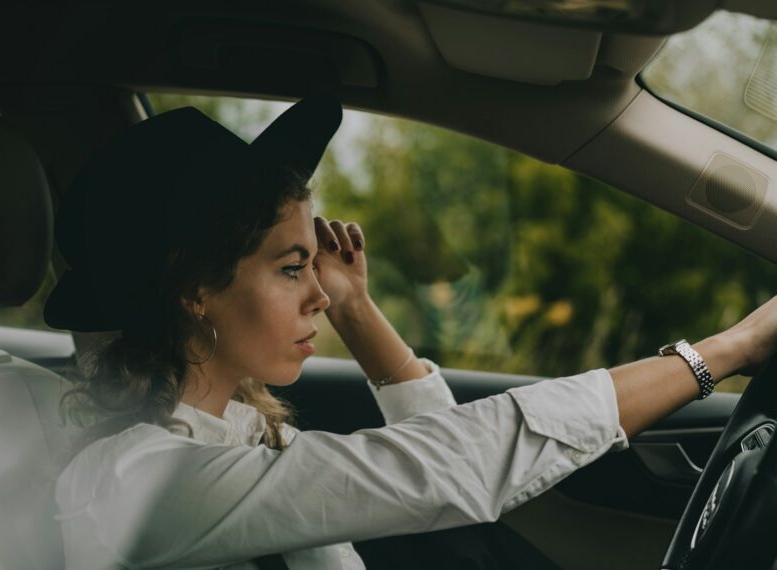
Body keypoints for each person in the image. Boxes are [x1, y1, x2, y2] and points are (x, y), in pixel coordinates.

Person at [44, 95, 777, 570]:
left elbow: (440, 484)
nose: (318, 298)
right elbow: (451, 469)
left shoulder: (241, 434)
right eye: (292, 268)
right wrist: (728, 349)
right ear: (195, 290)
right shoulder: (140, 481)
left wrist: (359, 310)